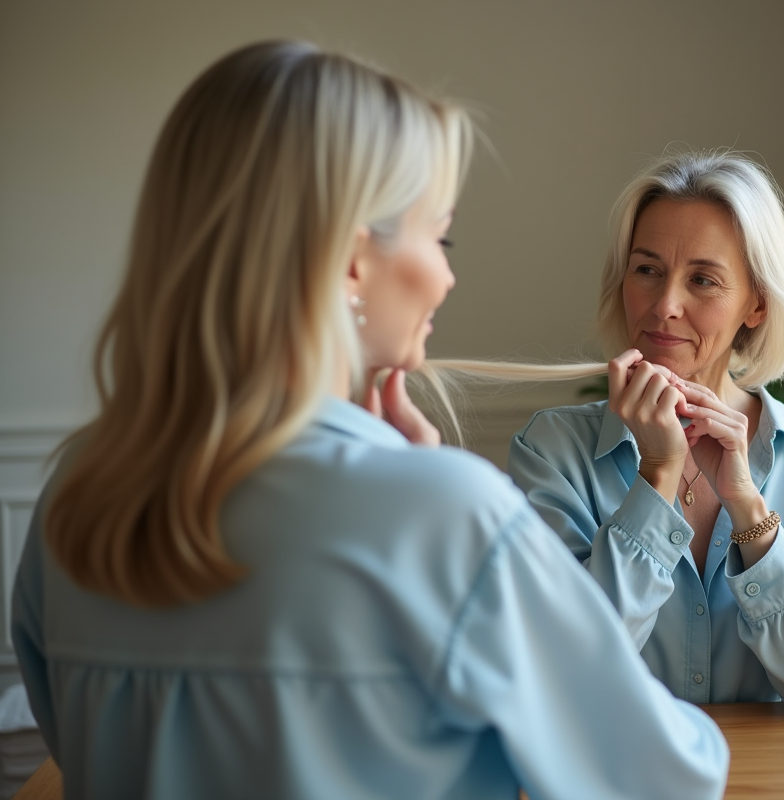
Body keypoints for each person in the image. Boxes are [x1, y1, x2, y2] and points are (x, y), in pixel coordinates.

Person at [11, 41, 728, 800]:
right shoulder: (445, 516)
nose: (446, 274)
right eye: (438, 235)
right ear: (354, 260)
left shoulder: (76, 492)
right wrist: (434, 493)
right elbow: (665, 778)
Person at [508, 150, 784, 712]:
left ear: (757, 303)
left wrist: (749, 512)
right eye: (646, 270)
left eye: (703, 280)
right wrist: (657, 477)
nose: (664, 306)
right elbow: (563, 665)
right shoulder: (552, 451)